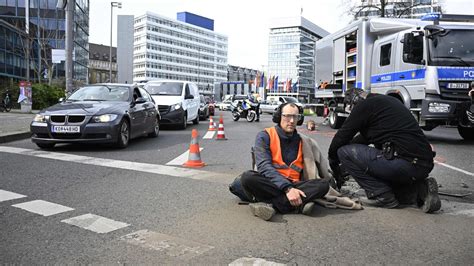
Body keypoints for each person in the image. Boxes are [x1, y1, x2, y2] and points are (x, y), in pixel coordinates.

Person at [328, 88, 441, 213]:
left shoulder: (364, 106)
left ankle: (381, 196)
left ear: (354, 102)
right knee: (395, 186)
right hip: (423, 165)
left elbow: (342, 137)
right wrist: (345, 167)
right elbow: (361, 140)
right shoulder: (387, 104)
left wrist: (333, 161)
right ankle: (420, 190)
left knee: (343, 152)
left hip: (403, 164)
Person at [240, 102, 331, 221]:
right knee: (247, 177)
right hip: (271, 183)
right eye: (287, 116)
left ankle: (272, 205)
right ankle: (297, 205)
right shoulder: (265, 136)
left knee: (323, 185)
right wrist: (288, 189)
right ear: (279, 117)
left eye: (295, 117)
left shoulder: (303, 141)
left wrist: (292, 188)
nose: (292, 121)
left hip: (296, 184)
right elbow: (263, 166)